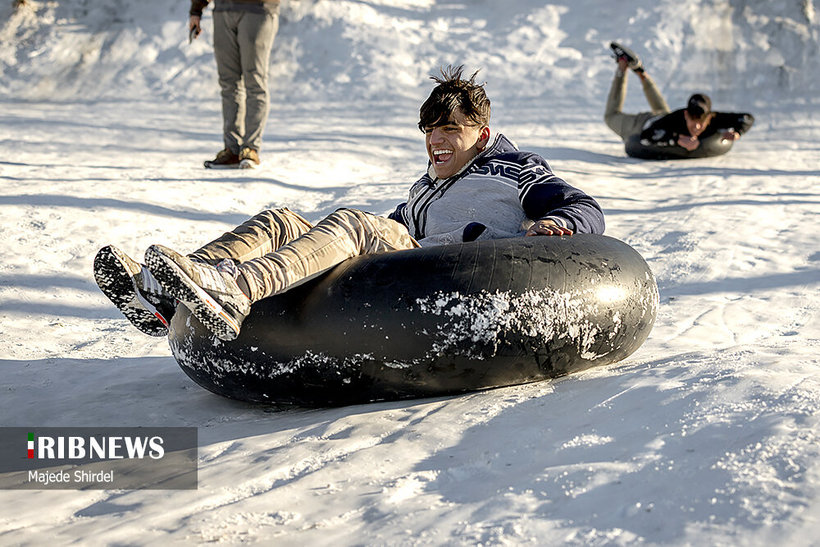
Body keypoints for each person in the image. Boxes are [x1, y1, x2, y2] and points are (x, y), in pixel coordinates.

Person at [94, 66, 605, 342]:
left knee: (357, 224)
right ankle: (174, 288)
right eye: (430, 131)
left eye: (451, 129)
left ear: (482, 133)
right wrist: (311, 240)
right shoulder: (425, 188)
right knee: (281, 219)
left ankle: (236, 292)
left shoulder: (513, 170)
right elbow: (389, 228)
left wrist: (557, 223)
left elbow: (582, 206)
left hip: (454, 273)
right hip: (405, 261)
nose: (437, 142)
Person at [604, 42, 754, 152]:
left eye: (701, 122)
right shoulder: (675, 119)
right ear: (685, 114)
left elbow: (746, 118)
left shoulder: (713, 119)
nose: (696, 127)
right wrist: (677, 139)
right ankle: (622, 66)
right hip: (642, 124)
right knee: (610, 116)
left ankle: (641, 71)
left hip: (662, 116)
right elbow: (646, 136)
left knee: (662, 111)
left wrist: (737, 132)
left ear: (709, 117)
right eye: (692, 121)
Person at [189, 0, 280, 169]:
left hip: (258, 9)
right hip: (223, 9)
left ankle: (250, 149)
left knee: (255, 81)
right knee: (228, 83)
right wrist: (196, 10)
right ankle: (232, 149)